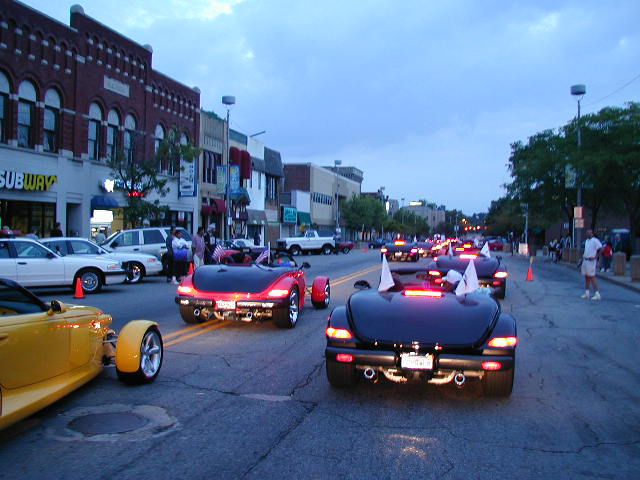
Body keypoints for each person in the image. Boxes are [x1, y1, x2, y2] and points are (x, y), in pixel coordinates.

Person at [580, 229, 602, 300]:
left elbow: (601, 248)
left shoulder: (595, 240)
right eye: (587, 233)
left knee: (592, 277)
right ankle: (587, 293)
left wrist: (595, 257)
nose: (587, 234)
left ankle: (597, 294)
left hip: (591, 261)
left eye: (589, 233)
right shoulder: (586, 241)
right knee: (586, 277)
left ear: (592, 234)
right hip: (585, 260)